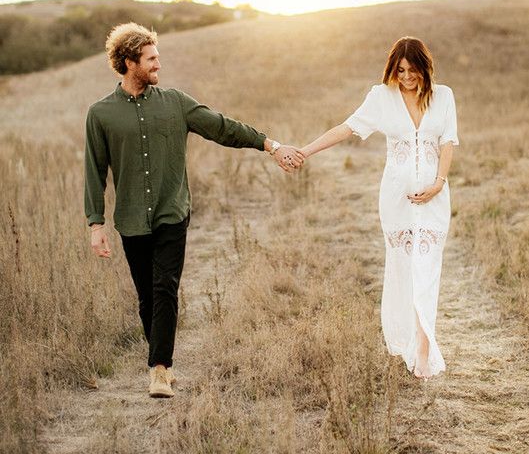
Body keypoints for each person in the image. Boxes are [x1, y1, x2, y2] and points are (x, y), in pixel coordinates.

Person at [85, 22, 304, 398]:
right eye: (151, 59)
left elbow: (223, 127)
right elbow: (94, 169)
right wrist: (95, 223)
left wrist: (271, 145)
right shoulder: (101, 114)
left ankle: (159, 369)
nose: (158, 65)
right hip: (132, 218)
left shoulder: (176, 103)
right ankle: (162, 363)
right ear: (128, 61)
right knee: (146, 297)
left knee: (165, 287)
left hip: (172, 212)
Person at [300, 37, 458, 379]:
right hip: (397, 200)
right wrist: (306, 151)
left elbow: (448, 141)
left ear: (424, 67)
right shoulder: (381, 97)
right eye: (399, 70)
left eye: (412, 69)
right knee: (403, 268)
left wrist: (439, 182)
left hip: (434, 198)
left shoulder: (443, 96)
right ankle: (408, 343)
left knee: (427, 267)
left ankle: (424, 349)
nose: (405, 77)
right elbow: (346, 128)